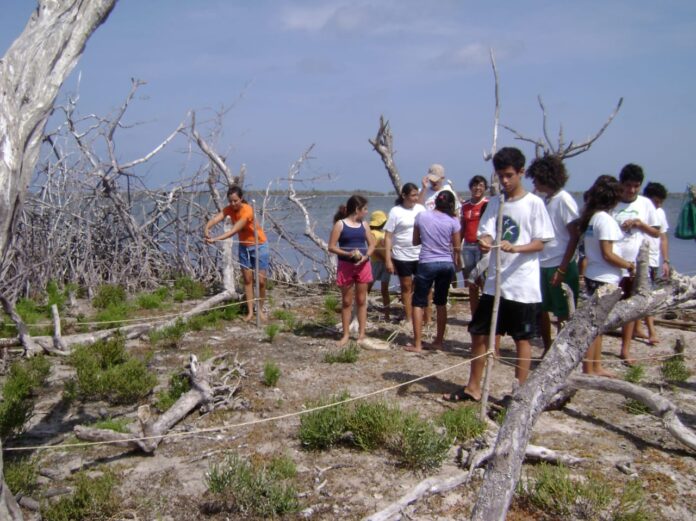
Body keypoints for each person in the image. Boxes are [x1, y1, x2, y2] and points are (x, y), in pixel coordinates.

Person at [449, 147, 553, 402]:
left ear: (521, 172)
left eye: (509, 175)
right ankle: (473, 387)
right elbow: (485, 231)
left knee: (522, 339)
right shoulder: (496, 202)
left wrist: (516, 247)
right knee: (479, 332)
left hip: (522, 286)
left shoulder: (534, 204)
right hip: (495, 283)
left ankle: (520, 393)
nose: (504, 181)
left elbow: (542, 242)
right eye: (500, 176)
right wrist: (485, 240)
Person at [579, 175, 636, 377]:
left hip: (595, 275)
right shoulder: (605, 220)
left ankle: (595, 365)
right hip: (604, 277)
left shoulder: (594, 218)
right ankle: (590, 367)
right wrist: (629, 265)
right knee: (595, 326)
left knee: (598, 325)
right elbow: (608, 254)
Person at [525, 155, 580, 354]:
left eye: (537, 179)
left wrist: (563, 268)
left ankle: (563, 351)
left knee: (563, 312)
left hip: (559, 262)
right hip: (543, 263)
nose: (534, 183)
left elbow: (574, 235)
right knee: (543, 310)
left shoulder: (564, 200)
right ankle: (548, 348)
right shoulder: (545, 200)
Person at [611, 164, 660, 365]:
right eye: (628, 185)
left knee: (631, 308)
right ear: (621, 184)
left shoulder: (645, 204)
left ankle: (625, 349)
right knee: (609, 305)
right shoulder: (612, 202)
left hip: (635, 264)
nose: (631, 190)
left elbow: (656, 232)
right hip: (613, 262)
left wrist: (639, 224)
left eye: (635, 186)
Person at [405, 190, 461, 352]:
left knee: (418, 302)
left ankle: (417, 343)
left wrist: (428, 239)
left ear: (435, 202)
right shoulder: (453, 220)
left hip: (427, 262)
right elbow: (456, 247)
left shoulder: (422, 216)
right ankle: (438, 341)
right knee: (441, 302)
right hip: (446, 263)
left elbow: (415, 241)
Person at [204, 185, 269, 322]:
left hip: (259, 245)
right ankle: (250, 311)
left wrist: (215, 239)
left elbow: (234, 230)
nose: (233, 204)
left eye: (235, 201)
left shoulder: (247, 211)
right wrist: (207, 228)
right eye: (230, 201)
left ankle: (261, 310)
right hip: (243, 247)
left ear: (241, 199)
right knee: (247, 279)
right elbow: (216, 218)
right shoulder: (229, 209)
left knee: (261, 281)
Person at [328, 195, 375, 346]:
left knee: (362, 300)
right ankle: (346, 334)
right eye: (365, 209)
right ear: (357, 209)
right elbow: (332, 246)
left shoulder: (364, 225)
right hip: (346, 266)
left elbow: (372, 244)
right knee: (347, 301)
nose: (366, 212)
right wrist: (348, 254)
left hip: (363, 265)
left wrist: (366, 256)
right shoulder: (340, 225)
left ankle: (361, 334)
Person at [633, 182, 671, 345]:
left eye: (660, 202)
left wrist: (666, 260)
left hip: (655, 259)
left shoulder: (660, 213)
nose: (658, 205)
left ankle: (638, 327)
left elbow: (662, 237)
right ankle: (651, 331)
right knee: (644, 294)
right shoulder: (641, 208)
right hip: (642, 258)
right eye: (656, 201)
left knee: (647, 294)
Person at [384, 183, 427, 325]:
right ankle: (409, 318)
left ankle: (426, 317)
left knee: (424, 285)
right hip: (401, 255)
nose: (415, 198)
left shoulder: (421, 209)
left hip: (420, 254)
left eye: (417, 195)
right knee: (406, 286)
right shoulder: (395, 211)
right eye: (413, 195)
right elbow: (388, 236)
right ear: (404, 196)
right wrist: (388, 260)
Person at [460, 175, 489, 316]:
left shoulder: (488, 204)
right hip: (467, 246)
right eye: (475, 185)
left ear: (485, 188)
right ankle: (474, 315)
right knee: (471, 282)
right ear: (470, 187)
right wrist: (455, 248)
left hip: (482, 247)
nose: (478, 188)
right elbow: (462, 228)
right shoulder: (465, 206)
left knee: (483, 279)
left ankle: (486, 314)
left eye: (481, 185)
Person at [367, 210, 391, 321]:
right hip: (376, 262)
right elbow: (374, 250)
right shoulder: (372, 233)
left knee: (385, 290)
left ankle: (387, 315)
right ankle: (361, 311)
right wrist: (386, 259)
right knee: (367, 288)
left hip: (384, 262)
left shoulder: (384, 234)